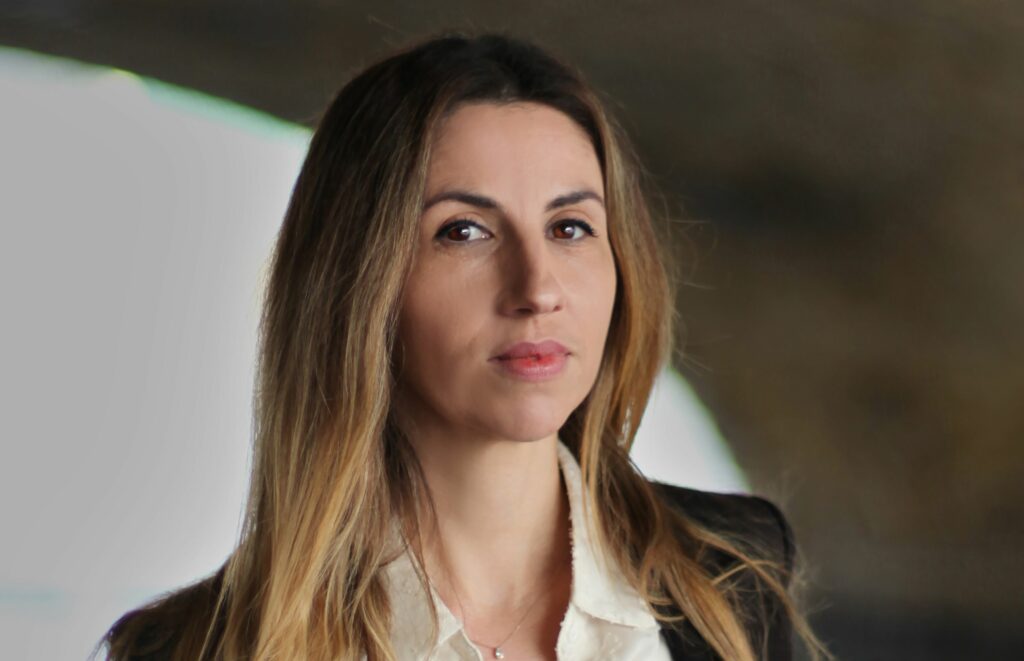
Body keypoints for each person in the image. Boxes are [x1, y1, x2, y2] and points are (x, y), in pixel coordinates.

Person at [95, 32, 830, 661]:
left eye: (570, 227)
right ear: (357, 282)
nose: (537, 287)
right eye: (464, 231)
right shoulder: (191, 648)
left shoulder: (735, 572)